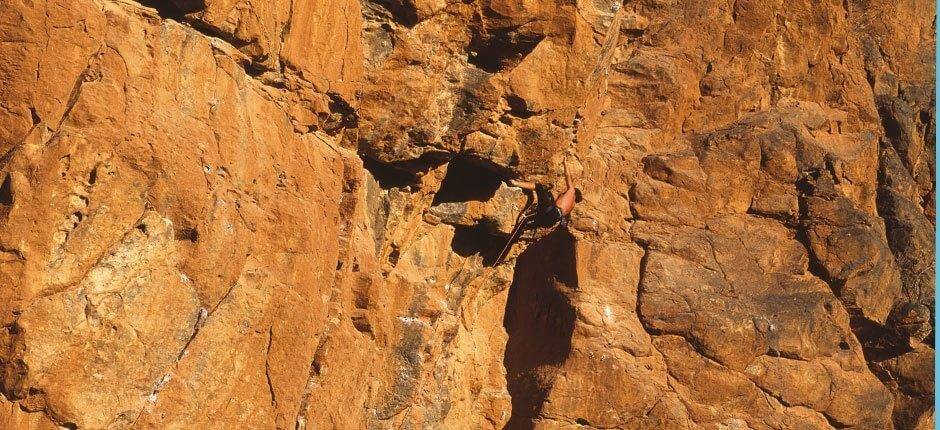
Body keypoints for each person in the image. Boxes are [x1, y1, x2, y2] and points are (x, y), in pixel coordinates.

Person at [509, 157, 578, 230]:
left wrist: (565, 164)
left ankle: (515, 183)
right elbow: (563, 219)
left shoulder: (572, 191)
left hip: (551, 212)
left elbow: (567, 176)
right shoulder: (572, 206)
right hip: (550, 222)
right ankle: (522, 229)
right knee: (529, 220)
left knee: (539, 187)